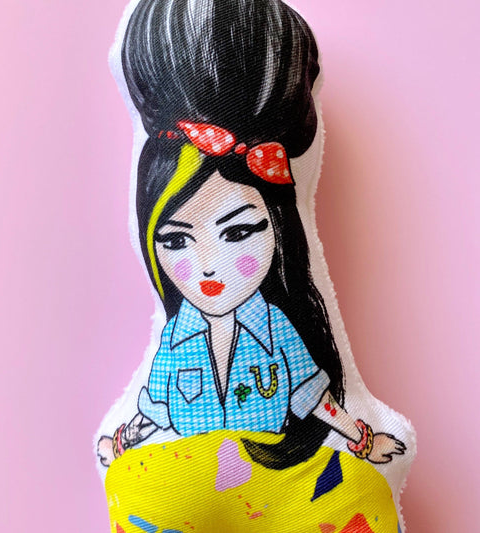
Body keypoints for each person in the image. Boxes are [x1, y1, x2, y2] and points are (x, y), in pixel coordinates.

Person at [97, 0, 406, 471]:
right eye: (176, 241)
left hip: (274, 473)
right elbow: (153, 410)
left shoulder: (278, 327)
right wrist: (121, 443)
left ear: (277, 228)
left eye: (239, 231)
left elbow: (314, 398)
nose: (208, 267)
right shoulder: (176, 338)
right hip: (189, 474)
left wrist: (364, 443)